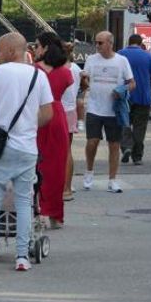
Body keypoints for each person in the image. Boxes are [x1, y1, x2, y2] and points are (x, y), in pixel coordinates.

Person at [0, 32, 53, 272]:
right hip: (28, 148)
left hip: (1, 146)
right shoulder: (38, 76)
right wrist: (27, 125)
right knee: (24, 200)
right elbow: (48, 113)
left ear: (10, 51)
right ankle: (22, 256)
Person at [81, 31, 134, 194]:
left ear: (110, 43)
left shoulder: (122, 60)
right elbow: (85, 84)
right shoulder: (91, 60)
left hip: (114, 109)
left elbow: (132, 83)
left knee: (114, 145)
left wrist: (122, 90)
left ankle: (112, 179)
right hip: (94, 107)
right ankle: (89, 172)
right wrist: (83, 79)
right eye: (96, 42)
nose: (97, 46)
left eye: (100, 43)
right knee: (92, 142)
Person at [33, 32, 73, 229]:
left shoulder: (34, 71)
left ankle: (39, 210)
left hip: (37, 115)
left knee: (37, 166)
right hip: (58, 116)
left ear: (45, 48)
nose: (35, 49)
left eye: (38, 45)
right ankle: (55, 214)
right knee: (57, 166)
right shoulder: (66, 72)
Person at [118, 34, 151, 165]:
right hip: (143, 97)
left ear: (128, 42)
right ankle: (137, 156)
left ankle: (126, 147)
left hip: (124, 96)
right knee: (139, 127)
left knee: (124, 124)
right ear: (141, 43)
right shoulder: (147, 56)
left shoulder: (120, 54)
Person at [61, 47, 83, 201]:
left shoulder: (58, 69)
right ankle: (68, 186)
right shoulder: (76, 68)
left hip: (59, 109)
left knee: (57, 151)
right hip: (71, 109)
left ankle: (63, 184)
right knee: (67, 150)